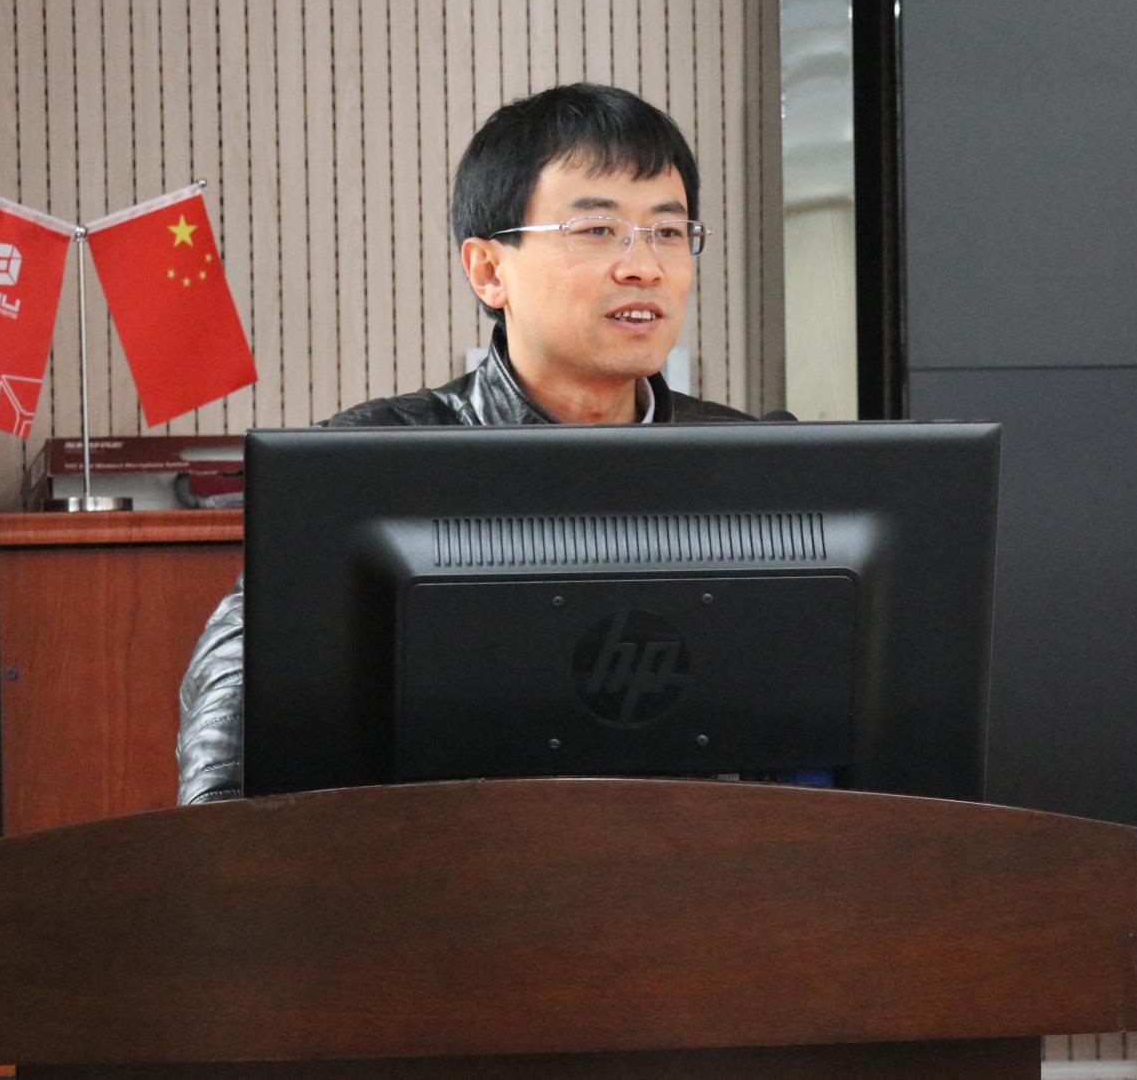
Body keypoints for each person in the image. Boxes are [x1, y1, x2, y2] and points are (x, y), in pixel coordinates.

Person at [175, 83, 754, 805]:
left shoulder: (753, 461)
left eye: (667, 231)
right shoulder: (372, 458)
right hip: (457, 853)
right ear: (488, 270)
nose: (644, 266)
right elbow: (241, 676)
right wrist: (226, 846)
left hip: (701, 851)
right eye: (597, 230)